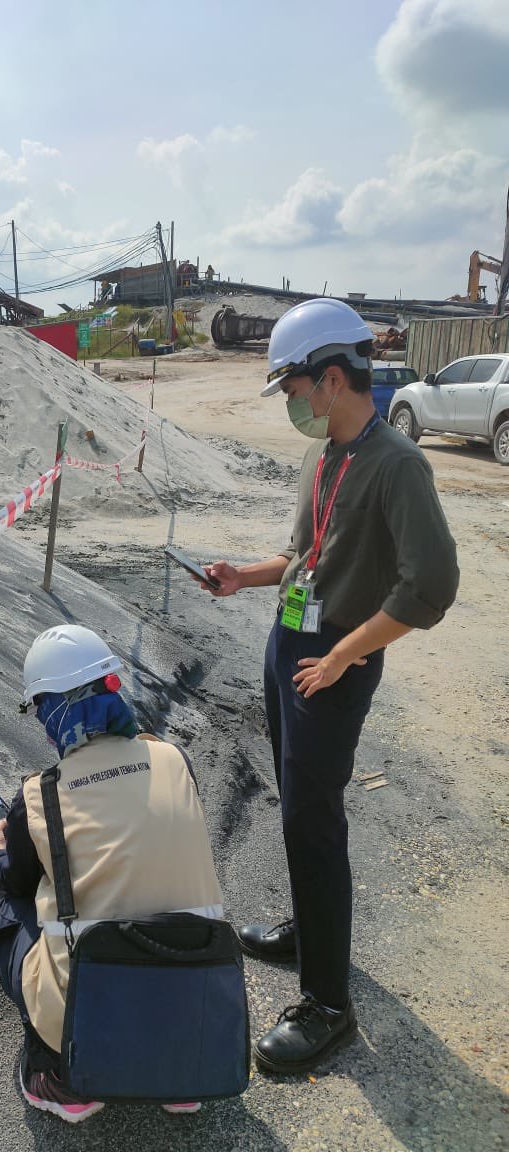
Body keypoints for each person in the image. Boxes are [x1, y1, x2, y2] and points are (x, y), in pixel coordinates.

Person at [197, 297, 458, 1075]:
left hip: (333, 662)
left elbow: (430, 588)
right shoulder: (324, 457)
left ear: (333, 379)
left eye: (293, 388)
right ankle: (311, 932)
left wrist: (346, 655)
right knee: (295, 797)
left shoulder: (398, 466)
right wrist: (243, 575)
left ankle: (328, 1006)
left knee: (315, 818)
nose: (290, 403)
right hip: (292, 646)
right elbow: (303, 557)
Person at [0, 624, 225, 1123]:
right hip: (199, 1001)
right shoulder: (175, 759)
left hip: (94, 1012)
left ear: (50, 709)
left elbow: (16, 883)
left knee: (8, 912)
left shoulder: (40, 794)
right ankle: (175, 1071)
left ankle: (62, 1079)